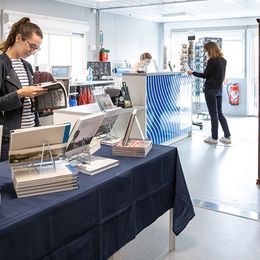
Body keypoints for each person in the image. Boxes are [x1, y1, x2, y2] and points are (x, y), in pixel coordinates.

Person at [0, 17, 48, 161]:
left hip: (31, 132)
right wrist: (20, 93)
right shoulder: (2, 64)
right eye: (32, 46)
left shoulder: (27, 66)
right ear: (19, 38)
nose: (33, 51)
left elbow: (29, 102)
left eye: (37, 48)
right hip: (10, 138)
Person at [187, 41, 231, 145]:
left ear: (210, 50)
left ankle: (214, 138)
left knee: (213, 114)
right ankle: (227, 136)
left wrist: (192, 72)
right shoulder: (223, 60)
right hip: (219, 89)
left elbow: (205, 75)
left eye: (206, 51)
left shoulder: (212, 61)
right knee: (219, 113)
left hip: (210, 89)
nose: (205, 53)